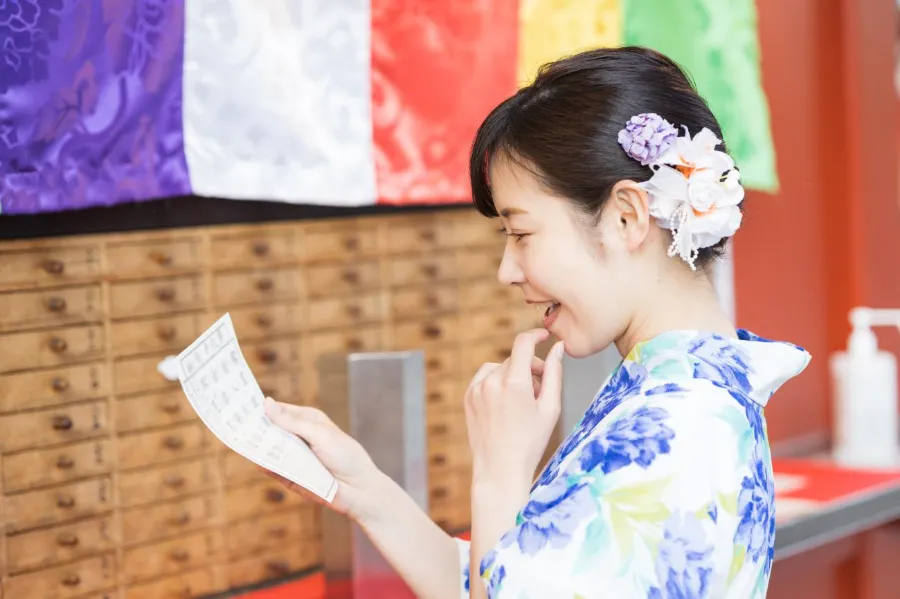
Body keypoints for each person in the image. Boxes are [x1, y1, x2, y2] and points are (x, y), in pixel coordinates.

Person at [262, 46, 811, 599]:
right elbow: (516, 575)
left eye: (521, 234)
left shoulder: (674, 426)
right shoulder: (685, 396)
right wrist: (366, 491)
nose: (508, 271)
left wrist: (500, 472)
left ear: (627, 217)